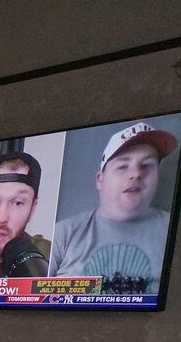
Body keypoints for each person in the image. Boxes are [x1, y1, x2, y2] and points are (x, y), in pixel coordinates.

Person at [53, 120, 175, 292]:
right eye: (123, 166)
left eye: (146, 165)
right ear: (100, 180)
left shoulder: (174, 231)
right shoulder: (62, 234)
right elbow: (29, 296)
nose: (135, 174)